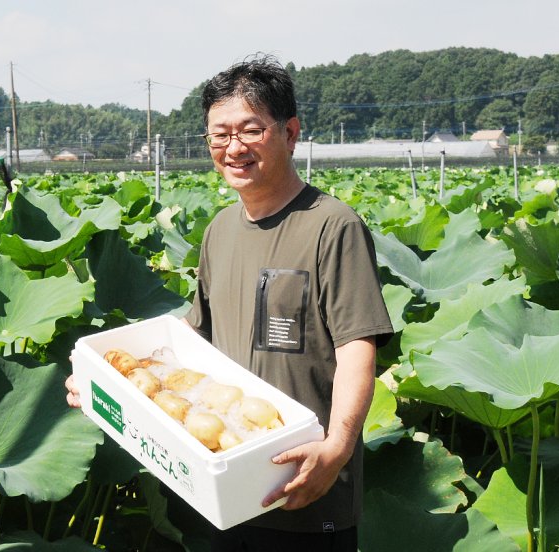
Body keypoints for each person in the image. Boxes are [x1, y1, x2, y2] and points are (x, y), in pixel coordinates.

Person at [67, 56, 392, 551]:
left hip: (305, 485)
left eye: (250, 130)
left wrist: (338, 448)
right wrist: (108, 385)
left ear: (289, 132)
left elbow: (356, 348)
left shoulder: (332, 225)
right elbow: (193, 342)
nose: (233, 148)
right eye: (219, 135)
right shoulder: (220, 230)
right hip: (221, 484)